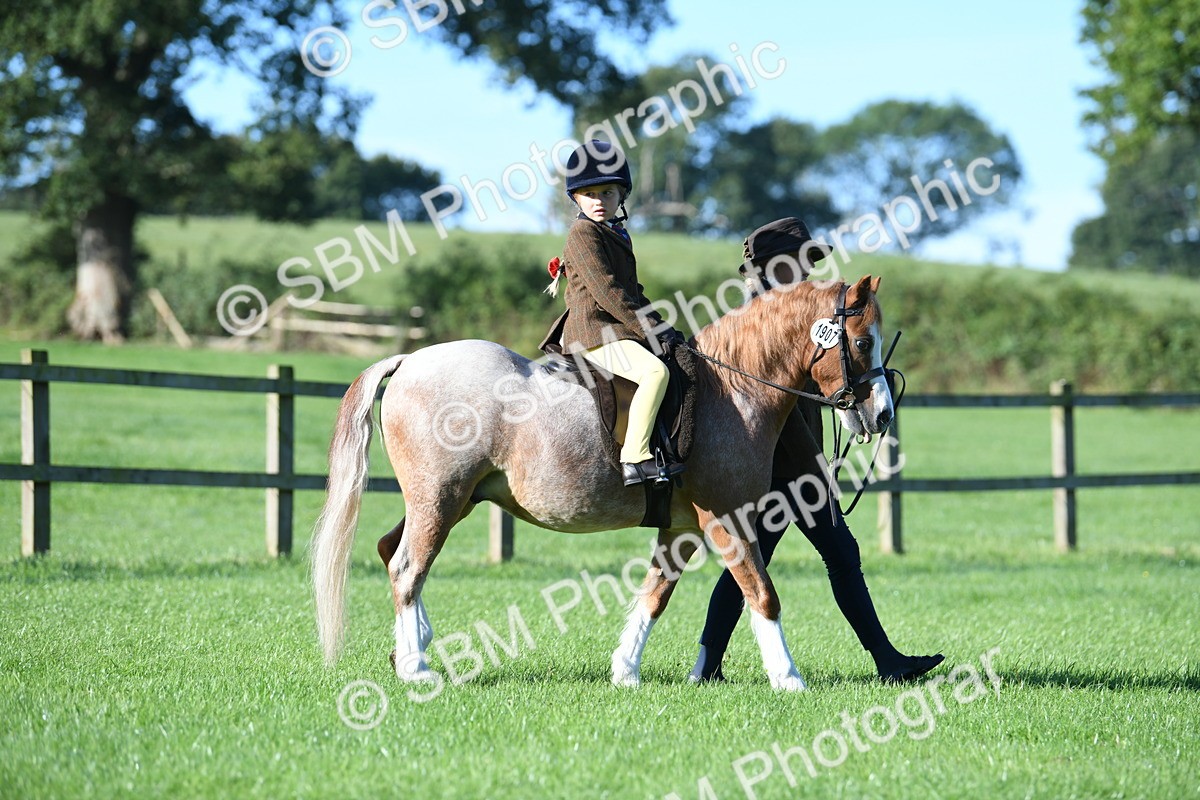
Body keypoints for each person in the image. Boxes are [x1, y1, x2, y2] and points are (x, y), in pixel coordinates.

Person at [688, 217, 944, 684]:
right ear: (773, 269)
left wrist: (855, 408)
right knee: (822, 556)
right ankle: (887, 662)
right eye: (801, 265)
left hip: (792, 469)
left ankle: (707, 667)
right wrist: (817, 469)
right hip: (780, 469)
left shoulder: (806, 318)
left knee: (754, 564)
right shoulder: (758, 322)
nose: (809, 275)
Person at [539, 140, 686, 486]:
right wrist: (650, 330)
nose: (599, 201)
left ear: (621, 195)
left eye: (607, 192)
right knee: (654, 373)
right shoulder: (582, 233)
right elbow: (609, 293)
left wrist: (664, 326)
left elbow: (634, 292)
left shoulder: (615, 233)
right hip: (595, 332)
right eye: (589, 194)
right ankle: (635, 458)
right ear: (576, 198)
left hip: (616, 328)